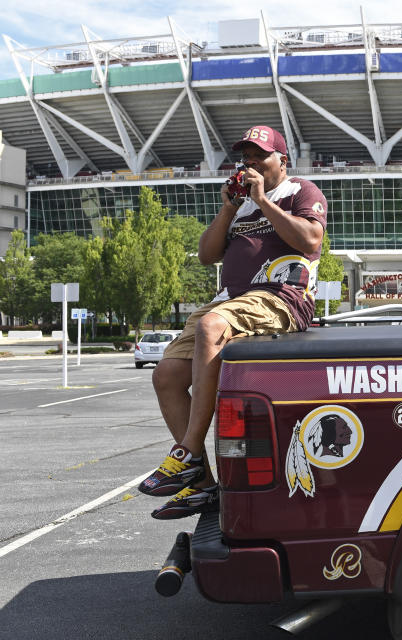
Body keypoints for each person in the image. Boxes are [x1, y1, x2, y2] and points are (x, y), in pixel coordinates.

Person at [139, 125, 327, 519]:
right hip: (231, 300)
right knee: (166, 375)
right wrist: (229, 207)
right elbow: (207, 255)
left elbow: (310, 241)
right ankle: (204, 487)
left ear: (282, 160)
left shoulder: (300, 192)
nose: (251, 163)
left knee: (212, 327)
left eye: (260, 155)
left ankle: (187, 452)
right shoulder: (239, 205)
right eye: (246, 157)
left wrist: (263, 201)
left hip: (281, 296)